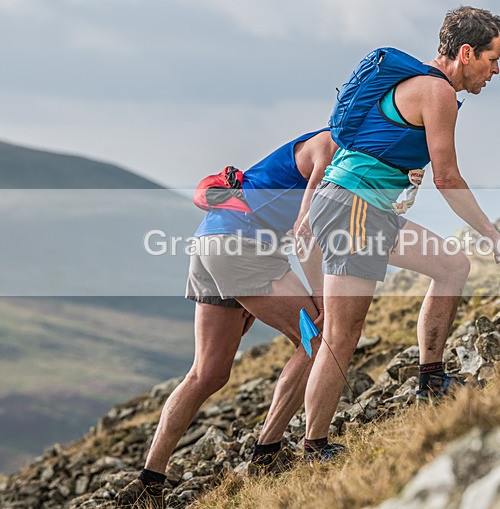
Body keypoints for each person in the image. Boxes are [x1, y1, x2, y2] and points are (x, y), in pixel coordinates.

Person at [296, 6, 500, 462]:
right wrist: (493, 235)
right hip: (354, 207)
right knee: (343, 333)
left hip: (360, 206)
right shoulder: (436, 92)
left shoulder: (424, 87)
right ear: (467, 53)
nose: (495, 71)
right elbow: (448, 178)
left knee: (452, 266)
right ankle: (314, 446)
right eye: (492, 59)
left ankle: (431, 379)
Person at [117, 129, 338, 507]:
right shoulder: (331, 147)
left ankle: (149, 482)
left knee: (207, 373)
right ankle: (267, 454)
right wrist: (321, 296)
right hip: (244, 245)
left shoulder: (315, 146)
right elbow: (307, 230)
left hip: (209, 242)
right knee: (317, 339)